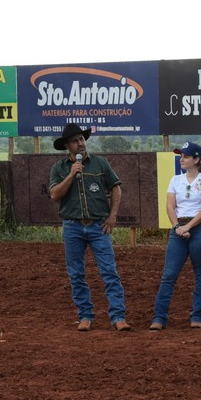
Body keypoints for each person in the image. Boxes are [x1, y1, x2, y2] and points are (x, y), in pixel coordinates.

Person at [48, 123, 130, 332]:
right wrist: (71, 174)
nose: (81, 143)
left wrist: (112, 216)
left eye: (82, 139)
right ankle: (85, 315)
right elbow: (55, 194)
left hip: (98, 225)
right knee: (76, 274)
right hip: (72, 226)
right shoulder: (59, 168)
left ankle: (118, 317)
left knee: (109, 271)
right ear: (67, 145)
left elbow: (116, 188)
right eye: (75, 141)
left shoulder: (100, 164)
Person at [150, 142, 201, 331]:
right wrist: (177, 226)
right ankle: (159, 317)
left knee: (200, 274)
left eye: (186, 156)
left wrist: (186, 226)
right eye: (181, 156)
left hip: (199, 229)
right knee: (169, 275)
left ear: (197, 160)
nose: (182, 159)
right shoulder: (175, 180)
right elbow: (170, 206)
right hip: (179, 228)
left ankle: (197, 316)